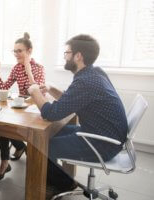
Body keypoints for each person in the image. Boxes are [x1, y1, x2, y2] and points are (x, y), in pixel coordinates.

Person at [27, 34, 128, 196]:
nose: (65, 57)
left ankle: (64, 184)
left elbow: (51, 114)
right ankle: (59, 179)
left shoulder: (85, 82)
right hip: (105, 135)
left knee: (39, 146)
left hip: (102, 144)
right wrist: (51, 88)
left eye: (67, 53)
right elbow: (71, 101)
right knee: (49, 136)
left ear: (78, 56)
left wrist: (34, 91)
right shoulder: (95, 73)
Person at [0, 32, 45, 181]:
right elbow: (4, 86)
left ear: (29, 51)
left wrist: (28, 68)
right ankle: (4, 162)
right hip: (21, 108)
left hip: (36, 110)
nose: (16, 54)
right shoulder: (16, 68)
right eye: (14, 51)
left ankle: (21, 148)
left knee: (12, 129)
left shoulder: (39, 68)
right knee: (2, 125)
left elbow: (37, 92)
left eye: (19, 50)